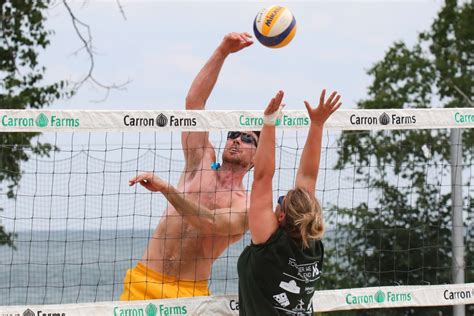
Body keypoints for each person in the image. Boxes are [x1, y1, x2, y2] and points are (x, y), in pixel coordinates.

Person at [120, 32, 258, 300]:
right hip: (143, 280)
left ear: (256, 158)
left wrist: (166, 189)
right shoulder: (201, 161)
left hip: (188, 294)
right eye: (233, 134)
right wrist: (223, 51)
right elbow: (194, 104)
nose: (236, 139)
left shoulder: (246, 206)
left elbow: (209, 221)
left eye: (247, 138)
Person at [237, 89, 341, 315]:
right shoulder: (311, 246)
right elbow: (307, 177)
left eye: (281, 200)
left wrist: (269, 123)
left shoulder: (270, 245)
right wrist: (317, 124)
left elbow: (263, 176)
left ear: (281, 215)